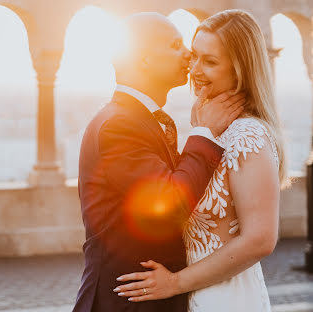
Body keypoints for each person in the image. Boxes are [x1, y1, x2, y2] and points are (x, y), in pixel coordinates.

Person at [114, 9, 286, 312]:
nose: (194, 69)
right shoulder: (208, 128)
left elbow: (260, 239)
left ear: (240, 69)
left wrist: (176, 283)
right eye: (194, 56)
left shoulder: (247, 133)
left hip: (226, 298)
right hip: (193, 293)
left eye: (210, 62)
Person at [72, 12, 244, 312]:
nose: (188, 53)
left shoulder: (142, 120)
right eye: (175, 45)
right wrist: (204, 134)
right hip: (125, 302)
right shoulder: (118, 125)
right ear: (145, 59)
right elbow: (171, 202)